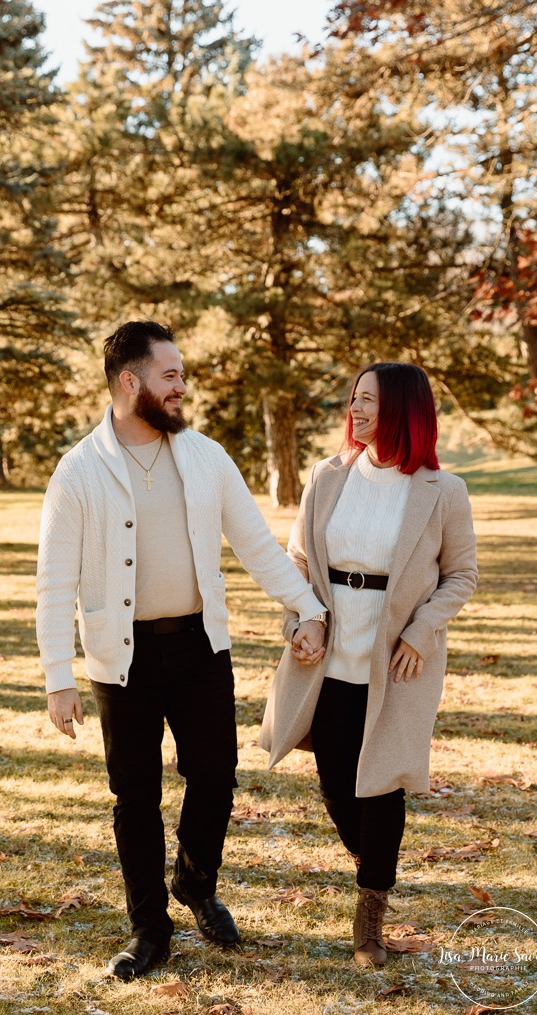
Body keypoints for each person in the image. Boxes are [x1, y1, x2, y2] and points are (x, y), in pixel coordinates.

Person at [35, 321, 327, 980]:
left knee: (215, 775)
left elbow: (256, 546)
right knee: (134, 796)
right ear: (129, 381)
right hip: (122, 658)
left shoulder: (204, 456)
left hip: (199, 646)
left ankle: (195, 884)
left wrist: (308, 607)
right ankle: (149, 930)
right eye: (169, 375)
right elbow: (54, 582)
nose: (182, 387)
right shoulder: (78, 471)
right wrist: (59, 676)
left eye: (182, 375)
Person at [259, 362, 477, 967]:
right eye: (353, 398)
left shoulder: (443, 491)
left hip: (398, 664)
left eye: (368, 401)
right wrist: (301, 620)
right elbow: (298, 560)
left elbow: (461, 575)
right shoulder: (326, 476)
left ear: (403, 410)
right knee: (336, 784)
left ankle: (369, 918)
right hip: (327, 657)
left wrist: (421, 633)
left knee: (379, 784)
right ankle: (375, 863)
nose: (354, 410)